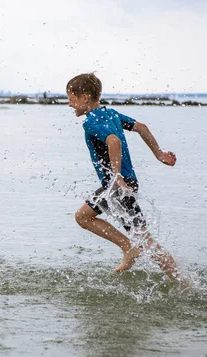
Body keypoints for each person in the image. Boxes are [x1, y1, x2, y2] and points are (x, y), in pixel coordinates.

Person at [66, 73, 179, 279]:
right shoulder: (111, 114)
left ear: (85, 98)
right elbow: (141, 127)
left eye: (71, 98)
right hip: (121, 184)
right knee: (83, 216)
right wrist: (159, 154)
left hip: (119, 186)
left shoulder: (90, 122)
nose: (69, 104)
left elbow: (114, 142)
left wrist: (117, 176)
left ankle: (183, 281)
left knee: (144, 239)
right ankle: (128, 247)